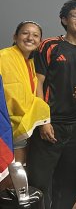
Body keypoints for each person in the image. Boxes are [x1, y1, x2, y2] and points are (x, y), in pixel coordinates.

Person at [27, 0, 76, 209]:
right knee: (39, 182)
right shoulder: (48, 46)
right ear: (64, 20)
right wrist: (42, 121)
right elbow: (37, 84)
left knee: (69, 183)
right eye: (75, 15)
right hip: (50, 124)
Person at [0, 21, 50, 189]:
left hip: (19, 126)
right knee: (6, 176)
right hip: (5, 124)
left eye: (35, 35)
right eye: (25, 33)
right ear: (15, 36)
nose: (30, 38)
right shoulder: (4, 56)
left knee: (17, 173)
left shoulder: (30, 63)